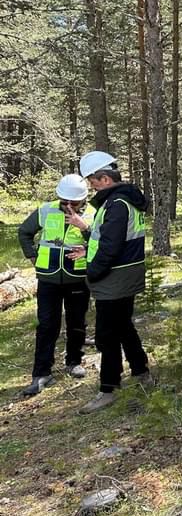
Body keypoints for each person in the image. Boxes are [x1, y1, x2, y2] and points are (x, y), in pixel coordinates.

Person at [74, 151, 153, 414]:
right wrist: (89, 249)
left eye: (93, 181)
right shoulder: (121, 201)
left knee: (107, 335)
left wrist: (93, 271)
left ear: (105, 179)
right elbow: (106, 239)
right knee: (123, 327)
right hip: (125, 273)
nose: (91, 186)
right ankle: (141, 372)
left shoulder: (117, 204)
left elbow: (110, 246)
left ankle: (108, 389)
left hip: (115, 277)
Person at [17, 174, 93, 396]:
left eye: (74, 202)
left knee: (76, 321)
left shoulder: (92, 214)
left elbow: (102, 240)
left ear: (83, 199)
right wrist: (32, 255)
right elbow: (24, 232)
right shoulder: (46, 209)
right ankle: (41, 373)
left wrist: (85, 227)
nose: (68, 206)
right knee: (47, 324)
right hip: (48, 279)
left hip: (78, 277)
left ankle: (74, 361)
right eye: (64, 201)